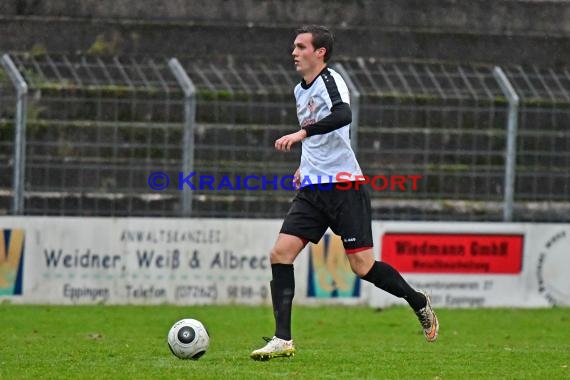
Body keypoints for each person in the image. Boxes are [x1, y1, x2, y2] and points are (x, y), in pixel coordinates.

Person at [250, 25, 439, 361]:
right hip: (312, 190)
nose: (294, 52)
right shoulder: (300, 90)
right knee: (280, 254)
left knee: (362, 267)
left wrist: (300, 134)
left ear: (319, 52)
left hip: (344, 188)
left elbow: (343, 116)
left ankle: (417, 300)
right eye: (294, 47)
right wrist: (303, 164)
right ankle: (282, 339)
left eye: (301, 47)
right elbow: (321, 141)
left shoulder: (331, 81)